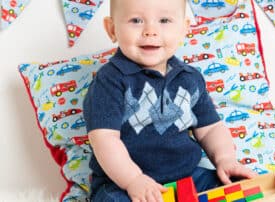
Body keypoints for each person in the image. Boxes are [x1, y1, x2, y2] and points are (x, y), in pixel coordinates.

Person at [83, 0, 256, 201]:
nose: (150, 31)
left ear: (184, 29)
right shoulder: (110, 81)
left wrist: (226, 159)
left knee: (234, 191)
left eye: (164, 20)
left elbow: (210, 129)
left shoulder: (189, 78)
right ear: (112, 29)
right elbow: (104, 139)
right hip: (122, 184)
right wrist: (133, 180)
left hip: (187, 176)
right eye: (136, 20)